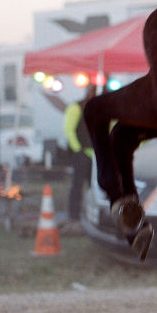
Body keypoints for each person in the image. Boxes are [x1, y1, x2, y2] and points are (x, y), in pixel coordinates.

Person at [63, 97, 94, 229]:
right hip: (82, 153)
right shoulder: (76, 108)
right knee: (78, 185)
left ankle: (93, 215)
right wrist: (78, 150)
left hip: (97, 155)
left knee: (95, 187)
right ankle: (74, 216)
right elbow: (69, 130)